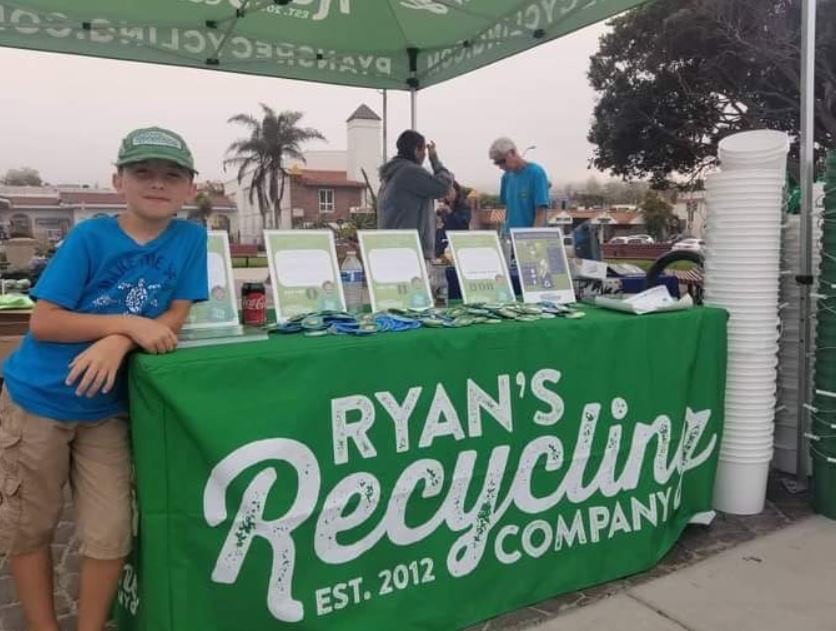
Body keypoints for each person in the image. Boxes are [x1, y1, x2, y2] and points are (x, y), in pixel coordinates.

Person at [0, 126, 208, 631]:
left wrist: (121, 340)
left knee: (111, 531)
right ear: (118, 181)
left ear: (189, 189)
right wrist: (127, 323)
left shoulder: (191, 239)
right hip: (39, 401)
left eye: (171, 175)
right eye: (143, 173)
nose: (157, 184)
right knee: (31, 527)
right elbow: (45, 321)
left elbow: (176, 313)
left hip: (108, 410)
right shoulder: (90, 236)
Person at [378, 130, 453, 260]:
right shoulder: (410, 172)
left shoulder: (391, 174)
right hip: (411, 251)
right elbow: (444, 186)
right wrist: (435, 159)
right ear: (416, 150)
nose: (425, 155)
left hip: (394, 247)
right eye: (424, 150)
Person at [488, 137, 550, 233]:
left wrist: (532, 239)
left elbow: (541, 213)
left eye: (502, 161)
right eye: (496, 163)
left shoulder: (536, 173)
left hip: (528, 238)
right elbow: (507, 210)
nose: (500, 166)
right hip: (509, 237)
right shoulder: (506, 177)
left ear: (512, 153)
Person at [435, 181, 472, 258]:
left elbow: (463, 224)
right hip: (444, 240)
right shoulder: (445, 205)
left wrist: (450, 212)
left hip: (458, 240)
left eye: (450, 191)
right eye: (446, 191)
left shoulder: (464, 205)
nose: (448, 194)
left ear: (457, 191)